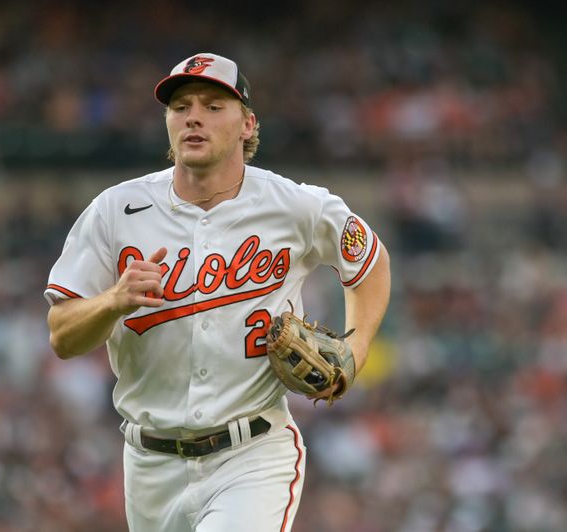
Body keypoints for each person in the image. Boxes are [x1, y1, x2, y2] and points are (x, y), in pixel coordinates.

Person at [44, 53, 391, 532]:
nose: (193, 116)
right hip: (149, 464)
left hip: (253, 453)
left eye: (212, 105)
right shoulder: (115, 211)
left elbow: (369, 260)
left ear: (247, 124)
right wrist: (112, 301)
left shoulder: (295, 205)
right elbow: (62, 336)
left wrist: (357, 345)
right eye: (180, 105)